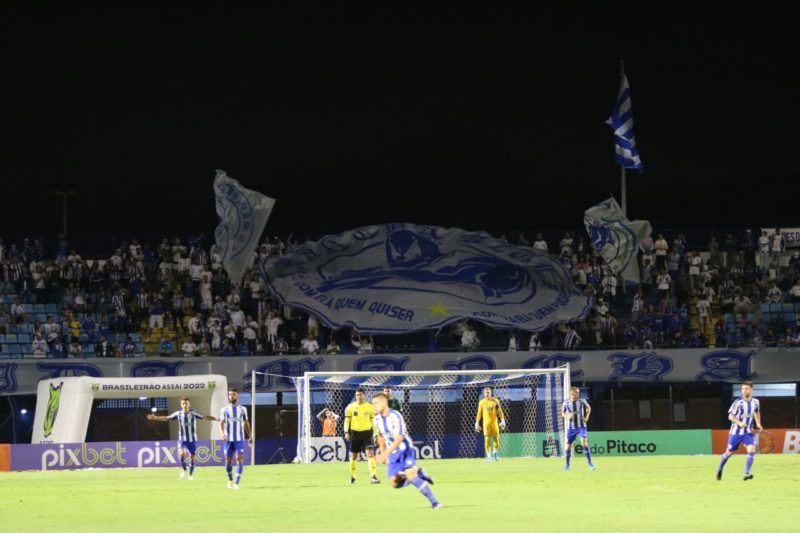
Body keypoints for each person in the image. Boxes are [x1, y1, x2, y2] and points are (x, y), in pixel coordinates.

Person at [371, 392, 441, 509]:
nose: (374, 406)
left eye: (375, 403)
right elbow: (380, 436)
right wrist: (383, 453)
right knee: (394, 483)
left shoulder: (396, 416)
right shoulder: (376, 419)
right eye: (372, 404)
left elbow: (399, 438)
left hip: (405, 450)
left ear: (384, 402)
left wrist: (384, 455)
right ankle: (419, 473)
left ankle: (435, 502)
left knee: (411, 476)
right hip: (392, 454)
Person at [147, 396, 217, 480]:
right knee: (181, 454)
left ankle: (190, 475)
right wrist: (155, 418)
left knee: (192, 457)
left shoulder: (193, 414)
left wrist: (216, 419)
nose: (185, 405)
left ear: (189, 404)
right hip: (182, 439)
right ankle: (184, 470)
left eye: (186, 403)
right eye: (183, 403)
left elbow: (205, 417)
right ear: (181, 405)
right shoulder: (178, 414)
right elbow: (167, 418)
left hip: (192, 439)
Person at [717, 381, 762, 481]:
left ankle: (746, 473)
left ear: (751, 390)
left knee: (752, 450)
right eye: (742, 389)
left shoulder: (755, 402)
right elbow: (730, 416)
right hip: (735, 433)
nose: (744, 390)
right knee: (729, 453)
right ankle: (720, 468)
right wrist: (739, 422)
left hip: (748, 432)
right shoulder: (738, 402)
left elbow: (757, 412)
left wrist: (758, 423)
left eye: (746, 388)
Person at [343, 388, 379, 485]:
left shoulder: (370, 407)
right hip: (355, 434)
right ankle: (353, 477)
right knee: (354, 456)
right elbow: (347, 421)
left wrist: (375, 434)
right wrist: (346, 432)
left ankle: (373, 476)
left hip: (367, 433)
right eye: (357, 395)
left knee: (370, 453)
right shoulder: (350, 407)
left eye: (360, 394)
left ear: (364, 395)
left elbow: (373, 422)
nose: (358, 396)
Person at [220, 388, 253, 489]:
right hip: (228, 440)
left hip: (239, 439)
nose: (231, 396)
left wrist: (251, 435)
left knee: (239, 459)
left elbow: (246, 423)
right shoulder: (224, 409)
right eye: (230, 395)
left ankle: (236, 483)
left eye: (233, 394)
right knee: (228, 461)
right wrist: (221, 433)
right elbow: (221, 422)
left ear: (237, 395)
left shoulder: (242, 409)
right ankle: (230, 480)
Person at [562, 387, 595, 471]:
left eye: (578, 393)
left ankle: (590, 463)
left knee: (584, 443)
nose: (578, 394)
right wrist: (567, 416)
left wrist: (587, 417)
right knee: (568, 446)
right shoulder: (566, 402)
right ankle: (567, 465)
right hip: (571, 427)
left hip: (581, 426)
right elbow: (563, 413)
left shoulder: (582, 401)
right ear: (571, 393)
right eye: (576, 393)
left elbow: (589, 408)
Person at [474, 387, 506, 462]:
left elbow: (499, 411)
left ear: (491, 393)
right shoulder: (481, 402)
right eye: (486, 392)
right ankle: (488, 456)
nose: (487, 394)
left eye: (488, 392)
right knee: (487, 440)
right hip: (486, 424)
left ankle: (495, 452)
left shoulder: (495, 401)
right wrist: (477, 423)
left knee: (496, 439)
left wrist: (502, 420)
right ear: (484, 394)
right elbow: (479, 413)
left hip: (494, 422)